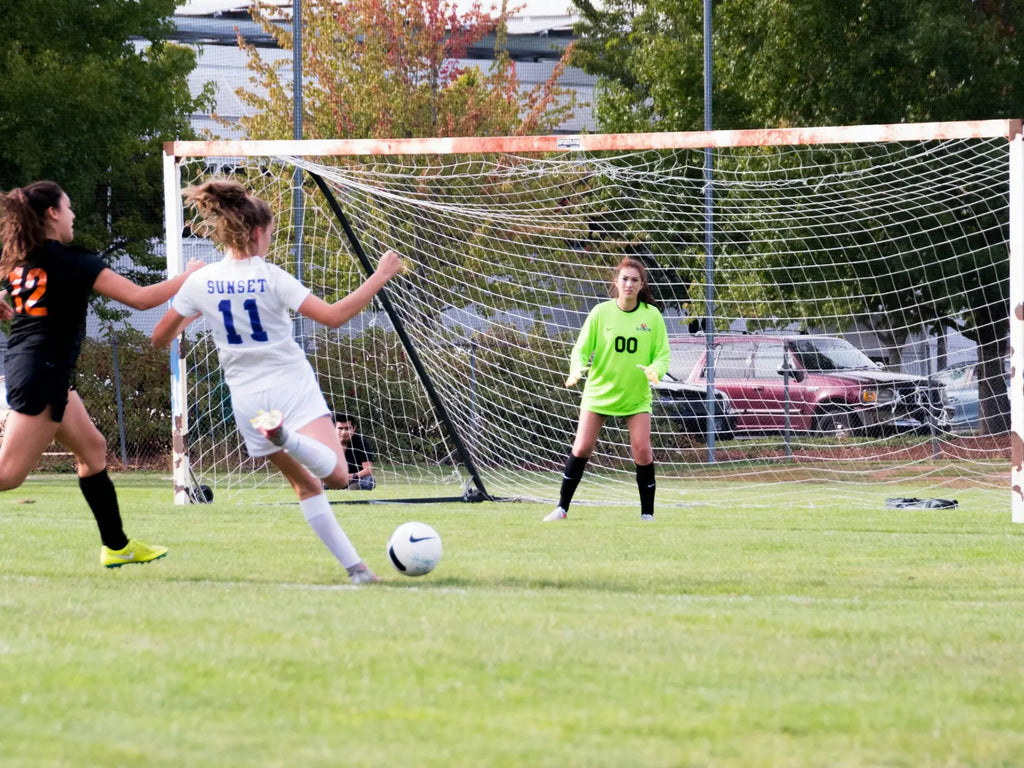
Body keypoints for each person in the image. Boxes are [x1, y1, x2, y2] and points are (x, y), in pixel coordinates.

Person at [151, 179, 404, 584]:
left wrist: (196, 309)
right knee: (339, 477)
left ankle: (357, 570)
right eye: (270, 233)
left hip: (248, 400)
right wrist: (381, 275)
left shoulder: (200, 281)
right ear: (257, 232)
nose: (270, 240)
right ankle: (286, 437)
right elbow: (333, 317)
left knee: (307, 487)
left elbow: (160, 337)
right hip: (291, 384)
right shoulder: (271, 276)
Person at [0, 180, 205, 567]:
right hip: (43, 372)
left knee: (93, 450)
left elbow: (23, 292)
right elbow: (140, 299)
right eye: (69, 207)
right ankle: (117, 545)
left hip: (40, 369)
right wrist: (189, 276)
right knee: (8, 475)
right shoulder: (74, 260)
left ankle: (116, 546)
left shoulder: (23, 259)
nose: (74, 215)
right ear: (53, 213)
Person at [544, 256, 670, 522]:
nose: (629, 284)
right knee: (582, 448)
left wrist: (655, 370)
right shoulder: (600, 313)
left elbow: (662, 356)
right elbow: (581, 349)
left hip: (635, 396)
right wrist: (576, 369)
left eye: (634, 280)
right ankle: (561, 508)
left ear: (641, 285)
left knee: (642, 450)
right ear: (616, 282)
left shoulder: (652, 316)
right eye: (624, 279)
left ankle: (647, 515)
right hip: (599, 392)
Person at [333, 412, 376, 490]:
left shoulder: (361, 442)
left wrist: (353, 476)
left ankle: (351, 488)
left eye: (347, 428)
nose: (344, 432)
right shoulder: (327, 442)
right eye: (340, 428)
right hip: (333, 479)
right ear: (334, 428)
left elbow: (368, 470)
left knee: (370, 480)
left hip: (354, 480)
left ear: (354, 428)